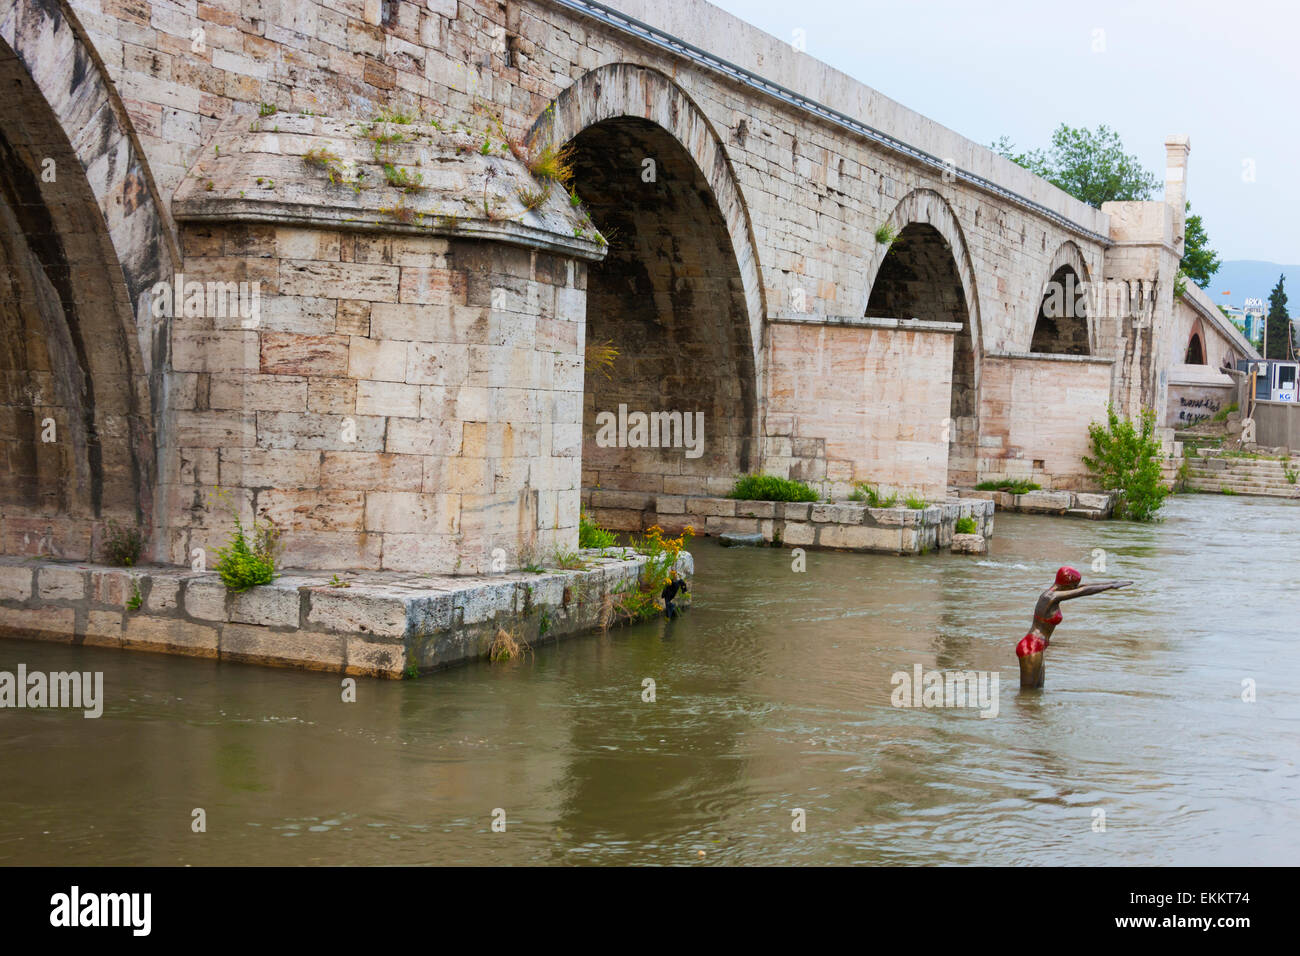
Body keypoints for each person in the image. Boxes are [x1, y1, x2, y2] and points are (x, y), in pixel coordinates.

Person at [1017, 566, 1132, 688]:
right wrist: (1110, 586)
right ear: (1066, 585)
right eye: (1074, 586)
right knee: (1028, 692)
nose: (1075, 588)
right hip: (1031, 646)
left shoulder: (1056, 595)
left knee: (1038, 691)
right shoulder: (1049, 597)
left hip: (1039, 646)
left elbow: (1084, 587)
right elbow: (1082, 592)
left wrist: (1113, 583)